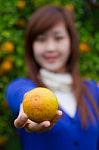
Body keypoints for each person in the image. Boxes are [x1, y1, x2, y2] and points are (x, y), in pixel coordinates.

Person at [5, 4, 99, 150]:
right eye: (41, 39)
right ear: (31, 46)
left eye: (58, 37)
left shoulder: (92, 89)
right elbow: (21, 96)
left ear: (71, 42)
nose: (50, 48)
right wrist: (30, 110)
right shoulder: (18, 86)